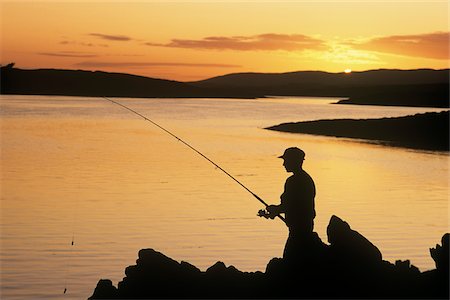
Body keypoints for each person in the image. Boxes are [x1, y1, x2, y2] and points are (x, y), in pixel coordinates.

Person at [260, 147, 316, 260]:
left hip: (299, 231)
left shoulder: (294, 181)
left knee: (291, 259)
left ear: (294, 161)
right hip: (303, 227)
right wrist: (275, 211)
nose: (284, 164)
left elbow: (291, 205)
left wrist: (275, 210)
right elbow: (293, 205)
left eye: (286, 160)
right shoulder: (306, 179)